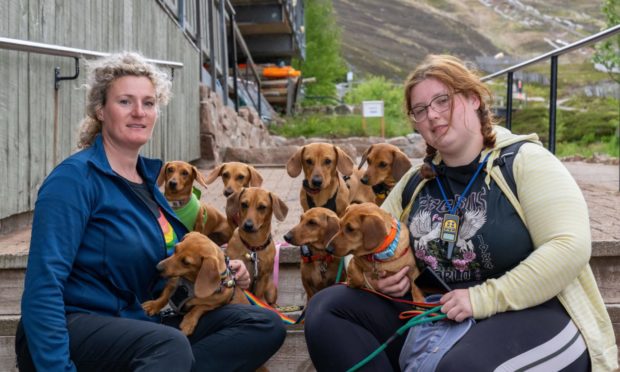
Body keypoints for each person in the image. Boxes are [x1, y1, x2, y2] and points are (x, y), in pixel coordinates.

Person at [304, 54, 618, 371]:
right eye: (420, 110)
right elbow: (350, 245)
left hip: (533, 313)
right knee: (326, 310)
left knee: (461, 367)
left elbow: (569, 247)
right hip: (436, 313)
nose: (433, 115)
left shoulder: (526, 162)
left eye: (444, 100)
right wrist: (372, 279)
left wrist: (482, 299)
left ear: (474, 99)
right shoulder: (416, 182)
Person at [16, 52, 285, 371]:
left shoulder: (149, 182)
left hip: (139, 321)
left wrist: (222, 271)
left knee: (263, 324)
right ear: (101, 110)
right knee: (169, 347)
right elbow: (42, 286)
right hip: (74, 328)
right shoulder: (74, 180)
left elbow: (169, 263)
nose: (139, 112)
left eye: (149, 102)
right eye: (125, 102)